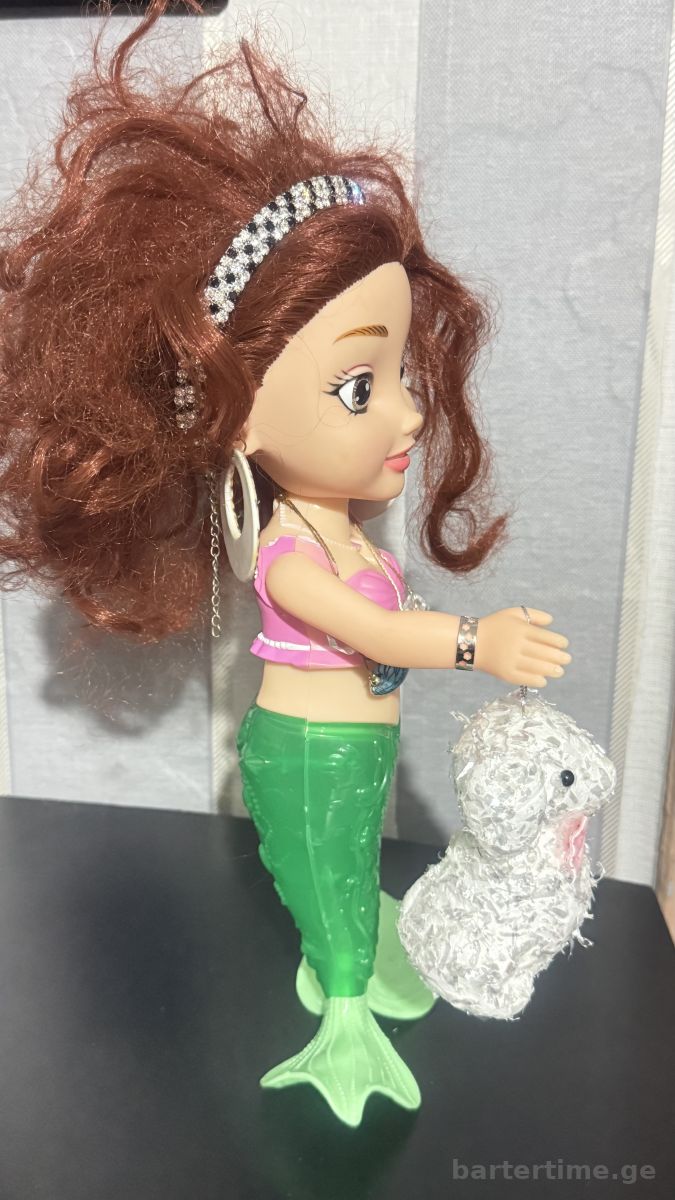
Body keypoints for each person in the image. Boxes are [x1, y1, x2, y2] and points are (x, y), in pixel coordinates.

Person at [0, 0, 571, 1126]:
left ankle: (352, 959)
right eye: (361, 387)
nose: (409, 413)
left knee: (349, 872)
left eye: (401, 374)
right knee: (324, 874)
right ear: (241, 415)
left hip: (353, 749)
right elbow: (373, 633)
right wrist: (477, 642)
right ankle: (343, 1018)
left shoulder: (342, 530)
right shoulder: (286, 553)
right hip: (307, 754)